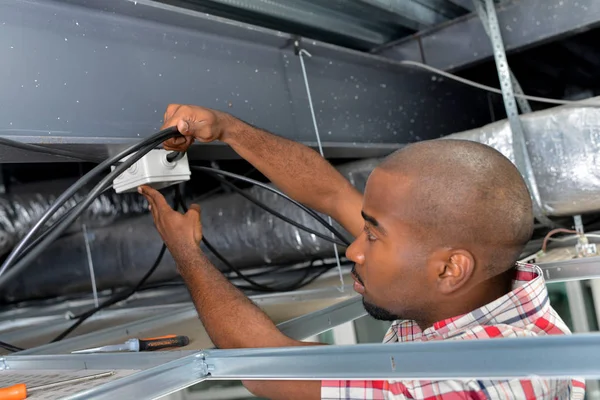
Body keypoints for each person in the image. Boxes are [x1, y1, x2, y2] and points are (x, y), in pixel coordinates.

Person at [138, 104, 585, 400]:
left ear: (451, 269)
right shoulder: (469, 283)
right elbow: (332, 193)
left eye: (373, 236)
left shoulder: (462, 385)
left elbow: (264, 364)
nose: (354, 249)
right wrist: (226, 128)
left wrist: (186, 252)